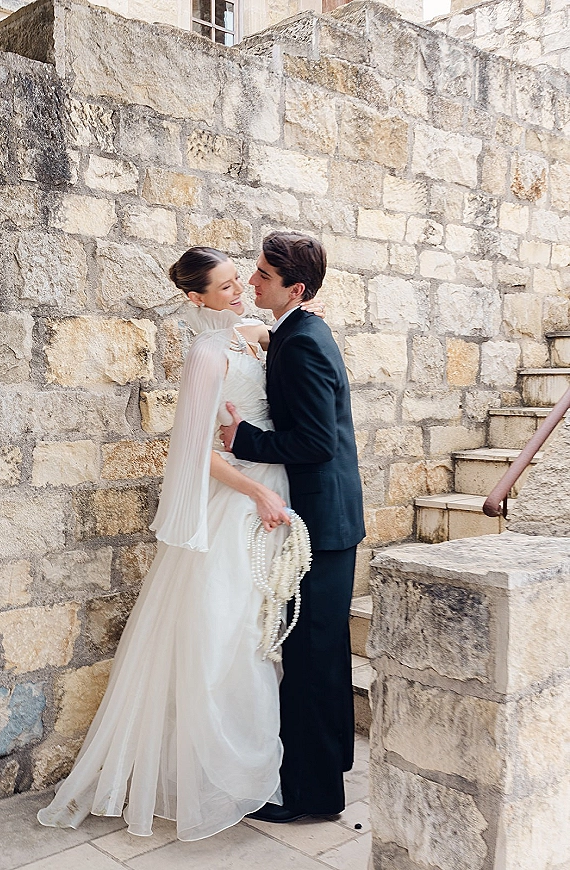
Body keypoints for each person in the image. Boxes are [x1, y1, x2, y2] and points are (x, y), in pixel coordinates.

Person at [37, 247, 323, 842]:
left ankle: (259, 764)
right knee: (224, 632)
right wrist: (257, 494)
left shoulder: (252, 331)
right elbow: (195, 453)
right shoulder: (204, 353)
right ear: (196, 299)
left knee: (260, 628)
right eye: (224, 288)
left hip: (278, 481)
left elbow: (286, 363)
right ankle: (217, 774)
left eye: (239, 280)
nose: (240, 290)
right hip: (243, 499)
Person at [221, 232, 366, 823]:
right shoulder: (297, 330)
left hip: (322, 524)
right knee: (319, 653)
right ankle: (327, 770)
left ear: (295, 289)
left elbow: (313, 442)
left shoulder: (303, 343)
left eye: (262, 276)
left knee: (310, 657)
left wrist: (244, 440)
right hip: (325, 517)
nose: (253, 283)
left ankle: (312, 798)